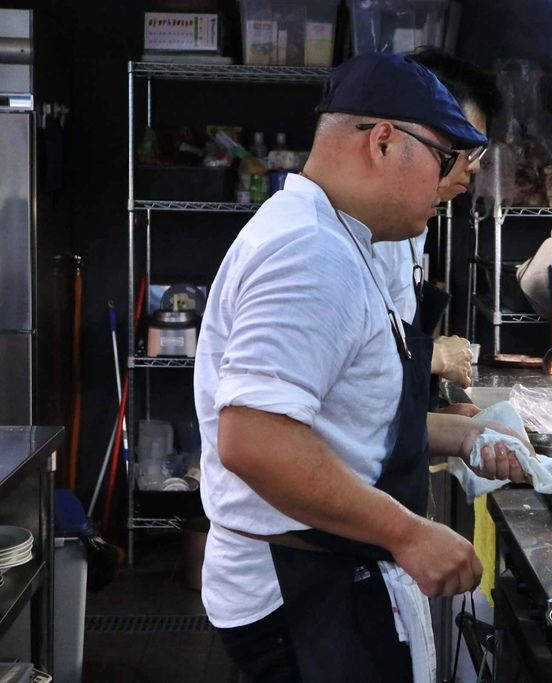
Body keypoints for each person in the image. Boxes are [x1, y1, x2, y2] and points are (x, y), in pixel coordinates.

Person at [194, 52, 530, 683]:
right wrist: (408, 533)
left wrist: (458, 432)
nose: (451, 180)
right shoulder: (310, 254)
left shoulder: (341, 235)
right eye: (443, 156)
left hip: (325, 572)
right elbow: (256, 441)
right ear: (383, 142)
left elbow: (343, 418)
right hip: (298, 591)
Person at [374, 48, 502, 394]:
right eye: (465, 146)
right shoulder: (327, 244)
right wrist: (435, 356)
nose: (473, 165)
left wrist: (451, 431)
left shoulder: (407, 222)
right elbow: (355, 364)